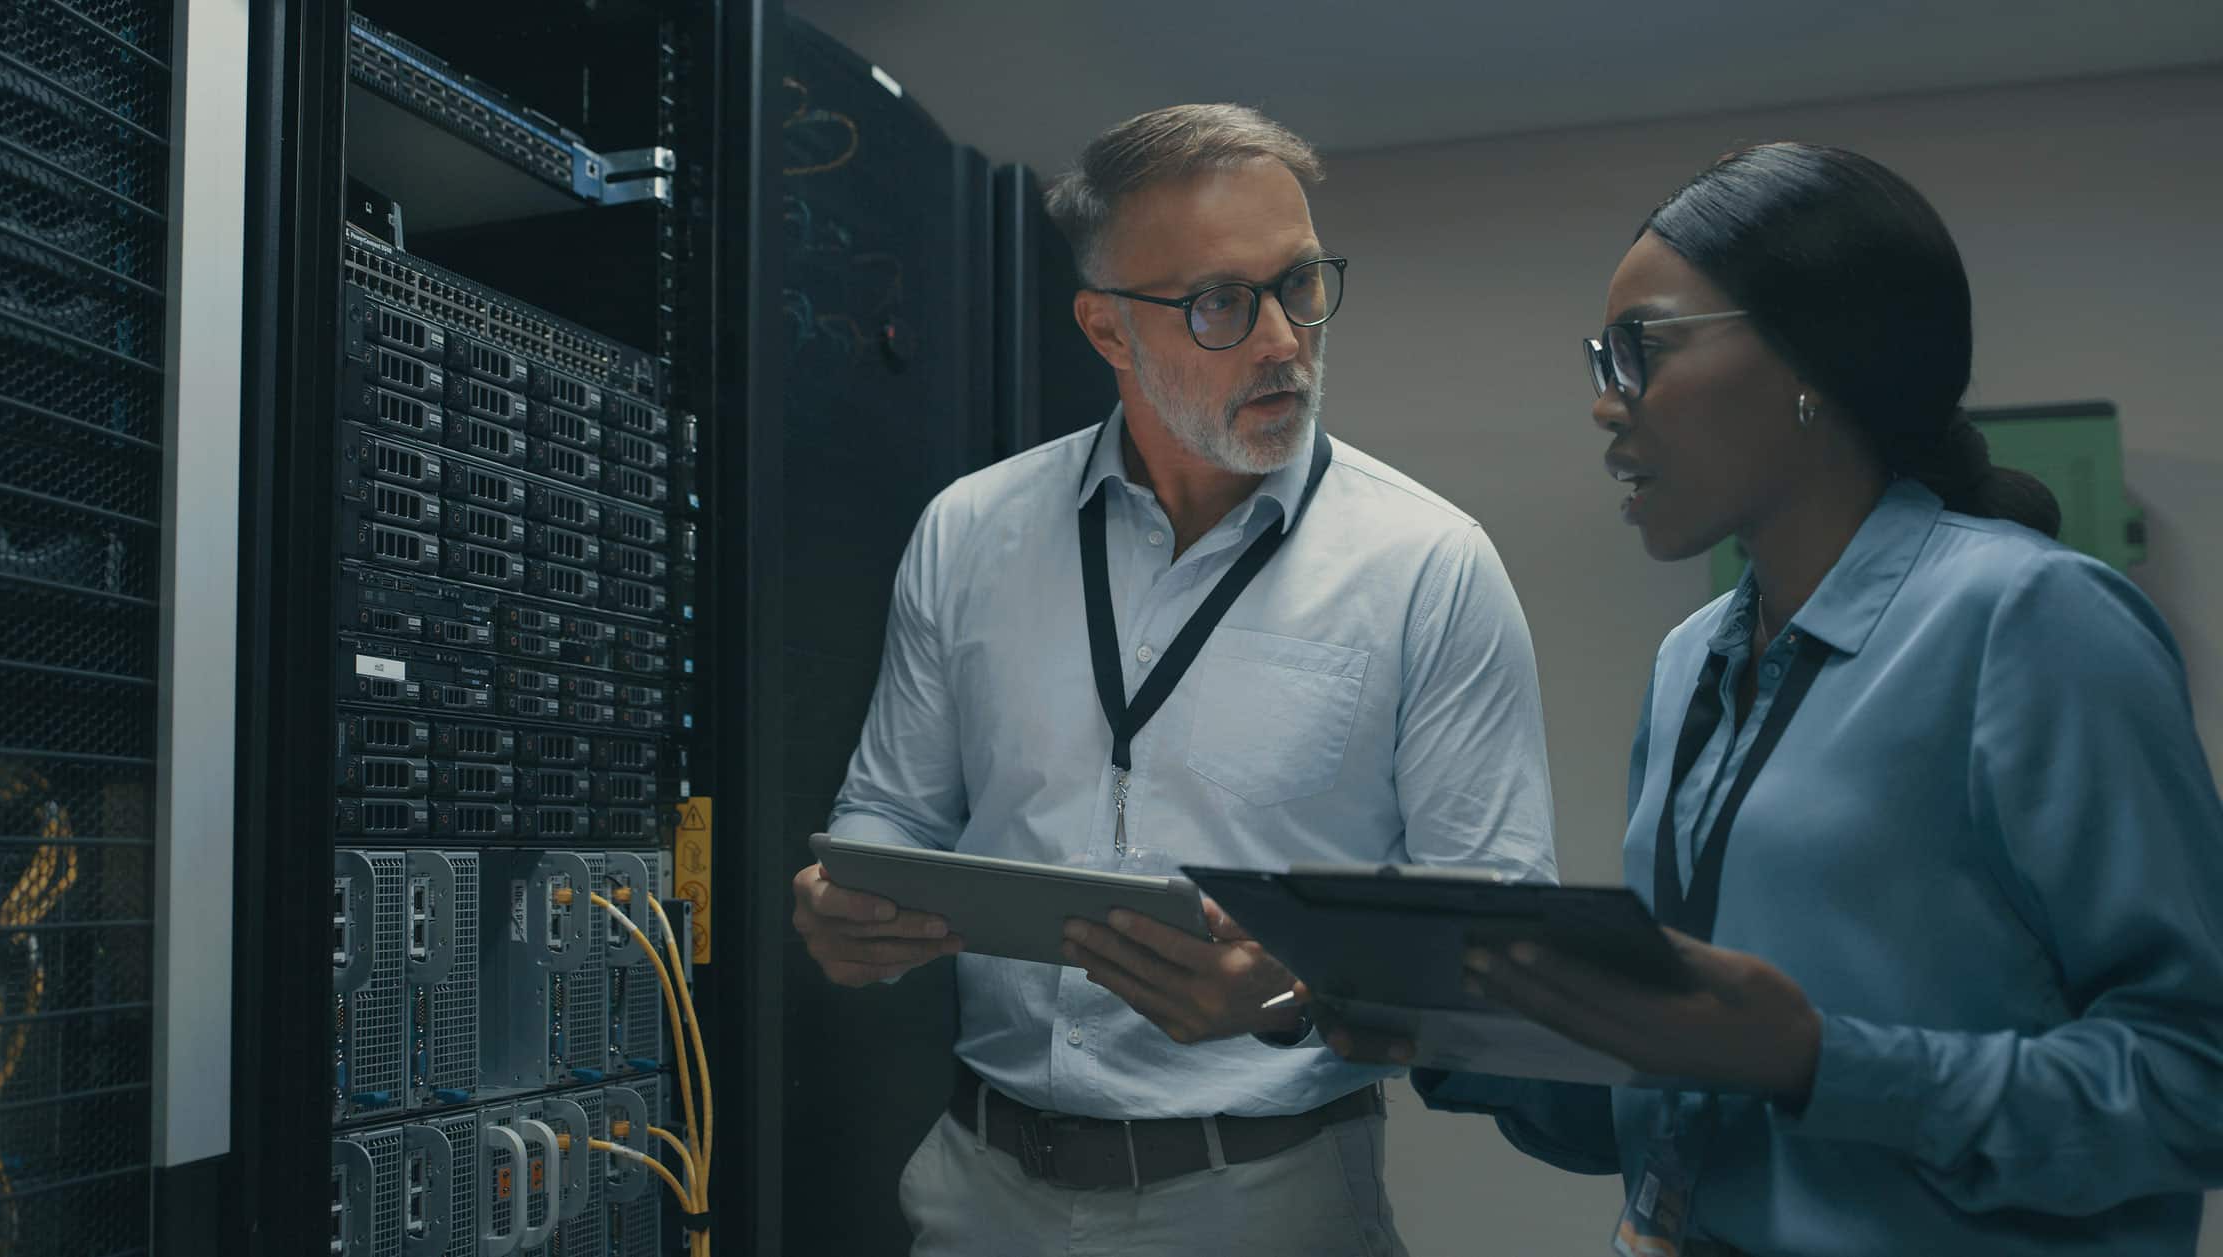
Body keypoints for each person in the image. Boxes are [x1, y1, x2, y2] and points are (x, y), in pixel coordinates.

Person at [1325, 141, 2223, 1256]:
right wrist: (1413, 1014)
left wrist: (1815, 1063)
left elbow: (2194, 1083)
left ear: (1814, 356)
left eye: (1639, 349)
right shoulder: (1689, 661)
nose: (1607, 404)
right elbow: (1671, 1094)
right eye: (1600, 359)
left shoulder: (2032, 621)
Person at [789, 104, 1559, 1256]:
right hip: (974, 1190)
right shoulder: (968, 532)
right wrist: (843, 906)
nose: (1283, 341)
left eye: (1299, 285)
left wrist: (1297, 993)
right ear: (1104, 331)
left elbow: (1502, 947)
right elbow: (892, 814)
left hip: (1267, 1201)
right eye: (1219, 304)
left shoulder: (1427, 567)